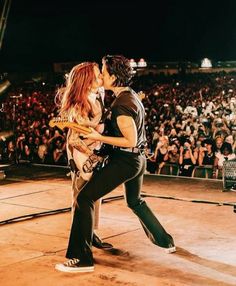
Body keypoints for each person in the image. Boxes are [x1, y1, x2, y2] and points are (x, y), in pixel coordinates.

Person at [55, 55, 176, 273]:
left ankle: (82, 259)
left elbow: (128, 140)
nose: (101, 75)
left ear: (112, 76)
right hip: (138, 159)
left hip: (126, 160)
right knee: (135, 201)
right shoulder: (129, 96)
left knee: (84, 197)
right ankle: (166, 241)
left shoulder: (121, 104)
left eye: (103, 72)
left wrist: (98, 137)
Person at [55, 62, 113, 250]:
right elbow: (74, 140)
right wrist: (93, 153)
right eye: (96, 76)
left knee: (95, 196)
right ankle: (81, 240)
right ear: (87, 82)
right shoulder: (79, 105)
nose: (100, 78)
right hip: (82, 154)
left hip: (93, 148)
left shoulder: (98, 95)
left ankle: (91, 233)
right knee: (81, 197)